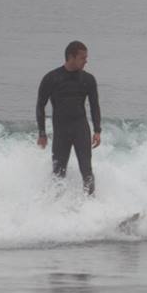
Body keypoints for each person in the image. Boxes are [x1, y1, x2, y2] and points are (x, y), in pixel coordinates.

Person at [36, 41, 101, 194]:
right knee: (58, 173)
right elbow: (40, 105)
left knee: (87, 171)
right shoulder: (52, 78)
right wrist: (42, 133)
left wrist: (97, 130)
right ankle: (56, 206)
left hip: (81, 128)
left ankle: (90, 205)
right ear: (71, 57)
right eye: (82, 58)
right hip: (61, 130)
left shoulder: (88, 79)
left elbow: (94, 106)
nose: (86, 61)